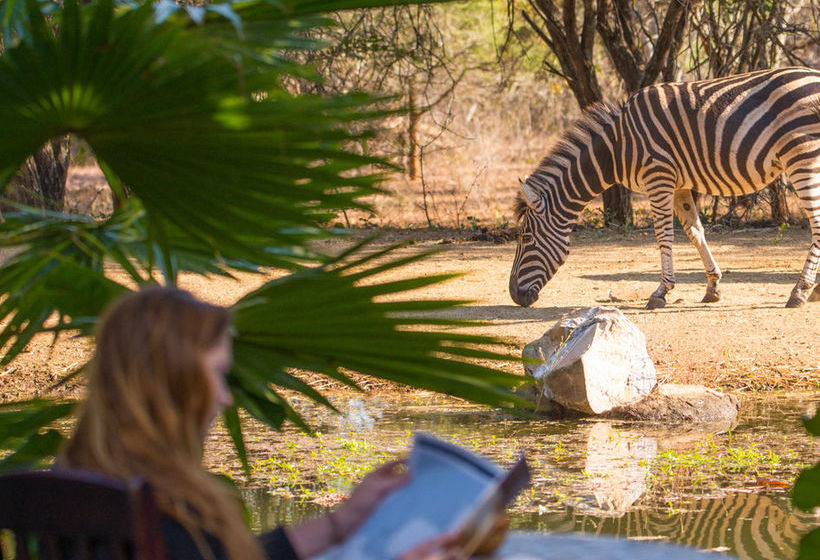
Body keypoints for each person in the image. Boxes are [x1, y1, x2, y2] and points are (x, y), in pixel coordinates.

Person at [60, 287, 469, 560]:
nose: (224, 396)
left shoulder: (74, 488)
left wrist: (339, 523)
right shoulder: (161, 509)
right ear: (175, 384)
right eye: (217, 375)